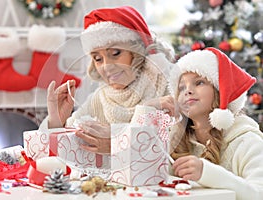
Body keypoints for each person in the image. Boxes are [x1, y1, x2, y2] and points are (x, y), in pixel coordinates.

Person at [39, 6, 175, 154]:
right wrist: (56, 120)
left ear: (138, 51)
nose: (106, 67)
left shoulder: (170, 86)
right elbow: (51, 154)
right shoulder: (100, 97)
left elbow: (178, 153)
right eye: (98, 59)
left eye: (115, 53)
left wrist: (117, 145)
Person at [148, 47, 263, 200]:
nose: (188, 90)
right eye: (181, 87)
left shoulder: (247, 141)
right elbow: (145, 174)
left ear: (220, 91)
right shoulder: (175, 138)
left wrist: (208, 173)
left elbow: (258, 193)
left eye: (199, 82)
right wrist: (147, 110)